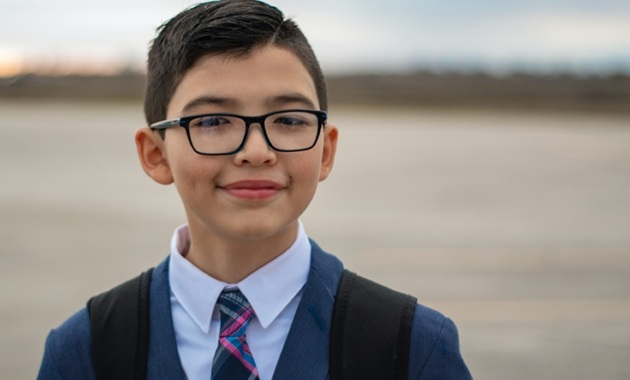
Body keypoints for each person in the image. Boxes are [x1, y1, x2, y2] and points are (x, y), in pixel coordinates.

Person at [37, 1, 472, 379]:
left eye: (289, 120)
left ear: (325, 152)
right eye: (211, 122)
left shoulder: (410, 346)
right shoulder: (87, 349)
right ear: (156, 155)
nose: (257, 151)